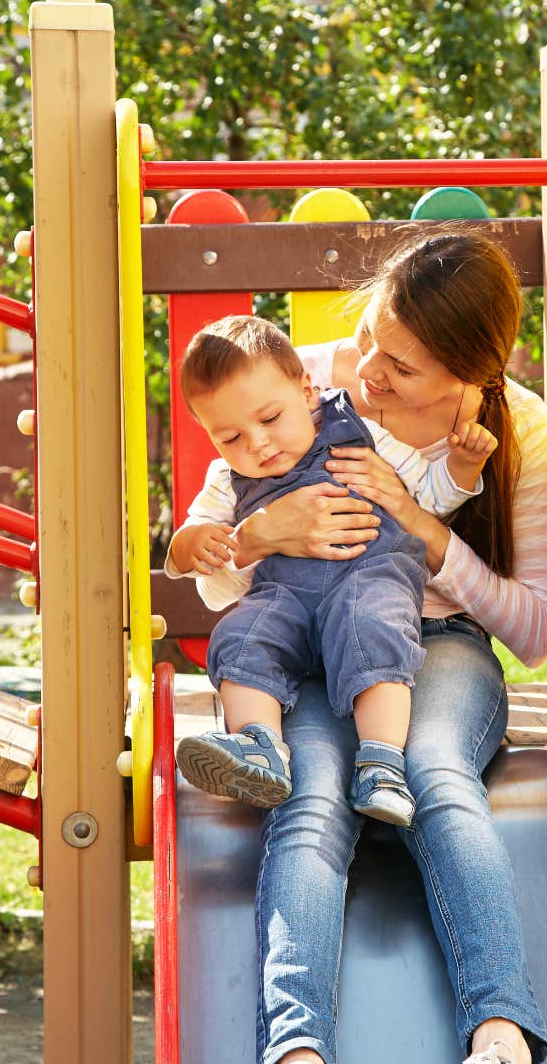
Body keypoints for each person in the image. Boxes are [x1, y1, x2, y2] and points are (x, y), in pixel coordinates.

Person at [179, 230, 547, 1064]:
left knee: (434, 772)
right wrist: (263, 531)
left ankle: (503, 1051)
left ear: (468, 374)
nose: (367, 371)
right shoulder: (295, 381)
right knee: (307, 798)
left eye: (400, 364)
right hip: (314, 655)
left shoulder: (520, 432)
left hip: (439, 649)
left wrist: (429, 533)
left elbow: (537, 630)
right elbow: (219, 577)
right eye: (368, 339)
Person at [167, 314, 498, 827]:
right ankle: (259, 747)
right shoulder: (226, 480)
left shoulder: (359, 434)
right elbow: (200, 534)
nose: (256, 444)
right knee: (240, 635)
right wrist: (189, 545)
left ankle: (382, 762)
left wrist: (461, 470)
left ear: (306, 391)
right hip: (286, 596)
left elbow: (426, 493)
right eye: (230, 437)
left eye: (270, 418)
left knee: (374, 624)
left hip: (369, 575)